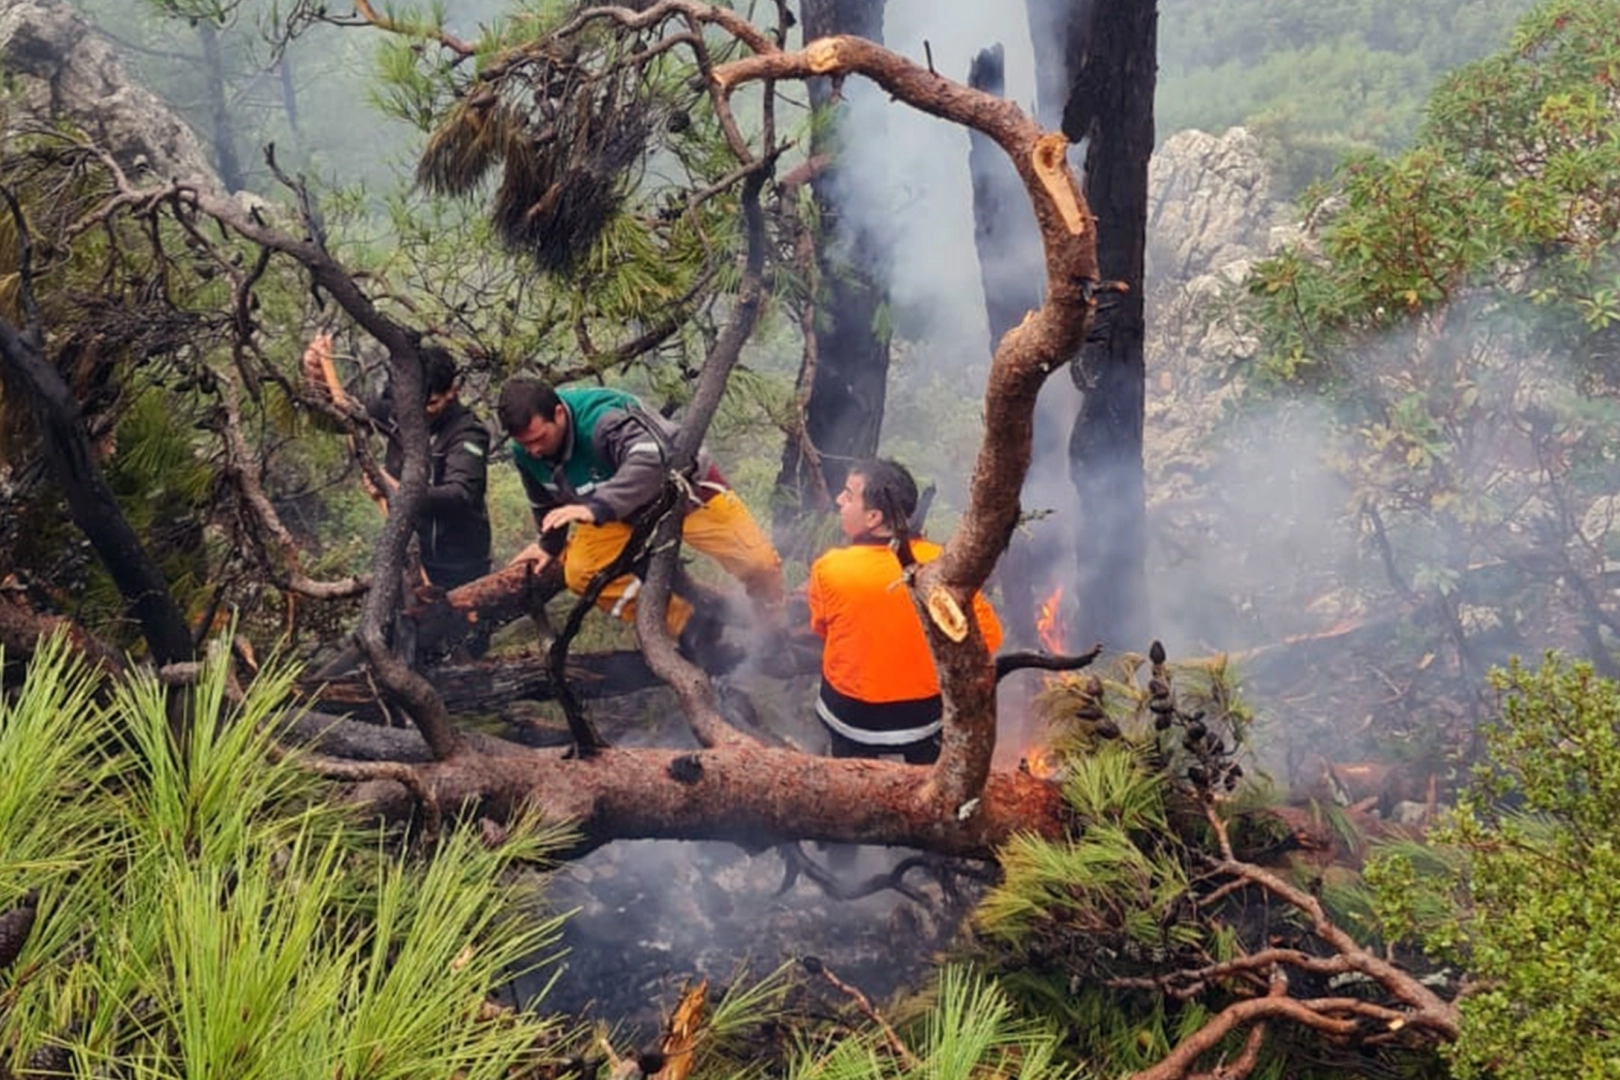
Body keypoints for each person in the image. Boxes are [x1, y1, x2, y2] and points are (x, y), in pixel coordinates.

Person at [496, 376, 784, 660]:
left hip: (687, 493)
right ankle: (690, 624)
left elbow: (652, 460)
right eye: (525, 443)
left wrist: (598, 507)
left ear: (558, 413)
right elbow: (543, 497)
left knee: (759, 563)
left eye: (538, 439)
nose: (533, 449)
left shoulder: (603, 420)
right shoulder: (525, 451)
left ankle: (771, 623)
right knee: (582, 573)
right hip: (619, 514)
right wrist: (549, 544)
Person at [807, 458, 1003, 765]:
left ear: (873, 517)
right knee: (928, 776)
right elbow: (989, 638)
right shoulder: (945, 567)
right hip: (923, 717)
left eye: (848, 495)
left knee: (852, 776)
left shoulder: (830, 568)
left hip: (849, 716)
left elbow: (821, 628)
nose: (839, 500)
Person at [302, 333, 492, 591]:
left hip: (459, 568)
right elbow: (339, 419)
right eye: (414, 403)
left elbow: (459, 495)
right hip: (407, 556)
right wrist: (315, 380)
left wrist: (393, 487)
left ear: (452, 391)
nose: (421, 412)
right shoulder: (399, 410)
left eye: (432, 403)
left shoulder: (468, 434)